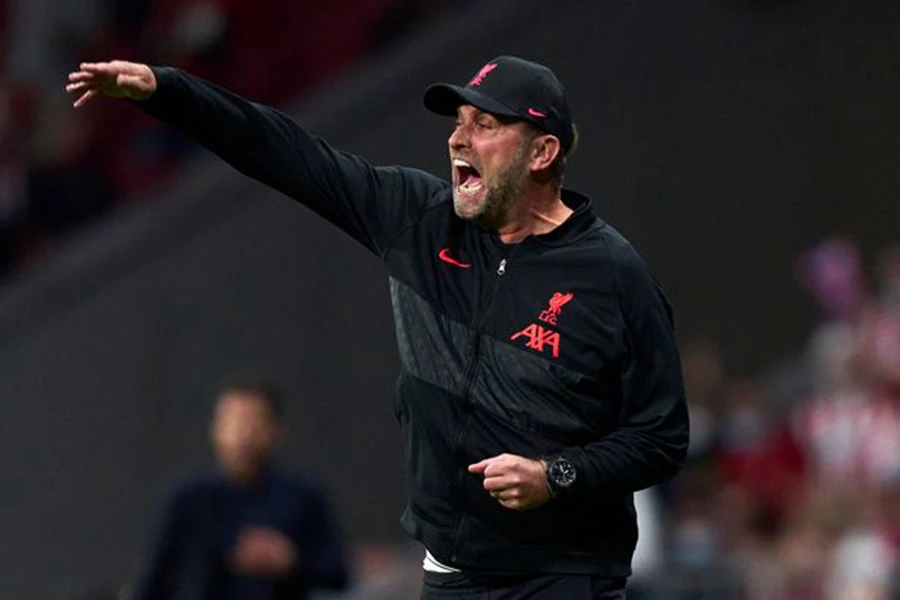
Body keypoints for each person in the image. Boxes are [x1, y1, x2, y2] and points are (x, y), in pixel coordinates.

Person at [67, 55, 689, 599]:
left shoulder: (612, 276)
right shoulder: (418, 220)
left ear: (542, 152)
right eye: (458, 122)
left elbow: (661, 437)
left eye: (485, 124)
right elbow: (285, 152)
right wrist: (167, 90)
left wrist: (555, 477)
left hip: (564, 575)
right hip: (451, 575)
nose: (458, 139)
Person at [133, 372, 349, 600]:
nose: (244, 434)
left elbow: (338, 572)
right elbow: (154, 582)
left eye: (254, 422)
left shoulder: (304, 495)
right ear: (216, 428)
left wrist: (290, 561)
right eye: (234, 421)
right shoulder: (187, 498)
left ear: (276, 430)